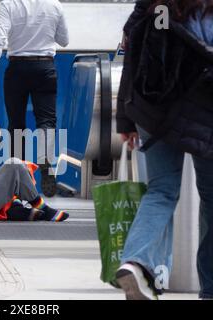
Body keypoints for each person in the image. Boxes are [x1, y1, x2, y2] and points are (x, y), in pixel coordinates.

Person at [116, 0, 213, 300]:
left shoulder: (151, 5)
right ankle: (210, 288)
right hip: (202, 112)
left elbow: (131, 54)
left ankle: (135, 261)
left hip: (153, 109)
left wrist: (125, 117)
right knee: (211, 197)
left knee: (161, 191)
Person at [0, 0, 69, 197]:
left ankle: (18, 176)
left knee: (17, 124)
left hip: (17, 68)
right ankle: (45, 162)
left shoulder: (9, 4)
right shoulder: (54, 5)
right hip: (45, 67)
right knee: (46, 120)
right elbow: (64, 40)